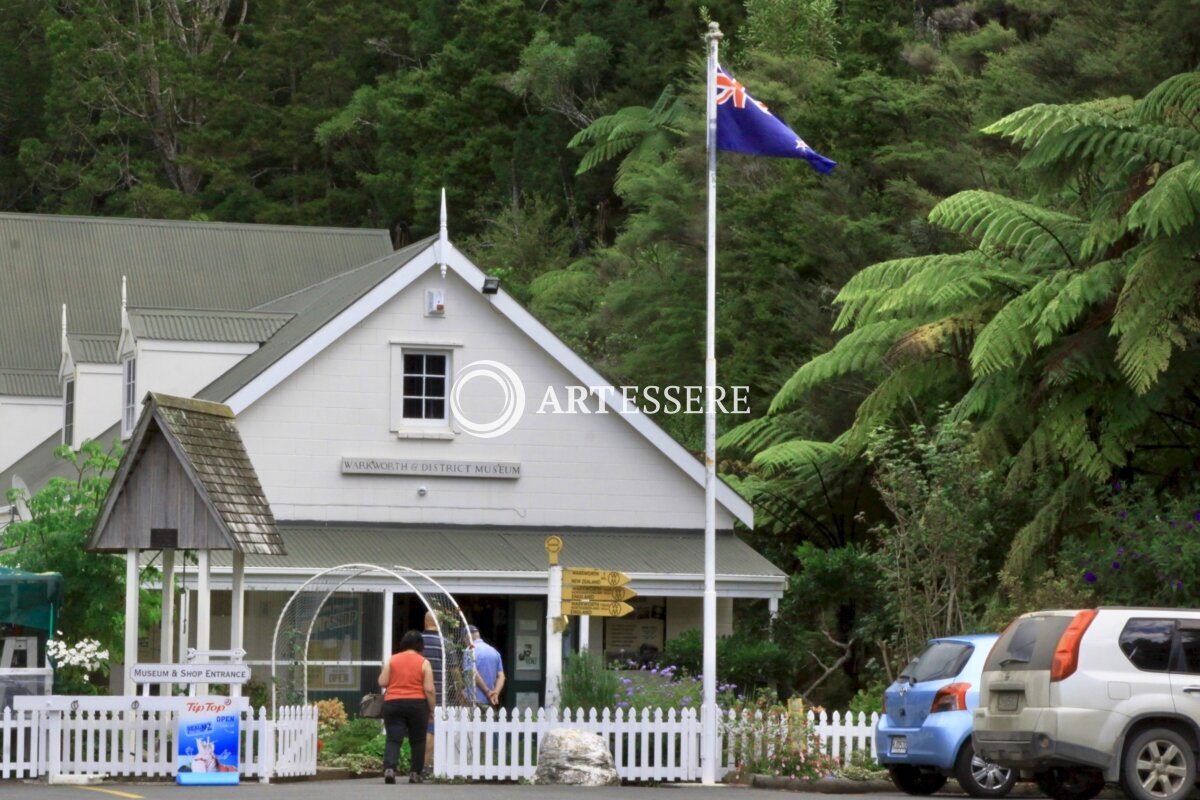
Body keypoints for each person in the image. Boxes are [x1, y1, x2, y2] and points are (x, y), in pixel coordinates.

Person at [378, 630, 435, 785]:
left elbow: (382, 682)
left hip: (393, 703)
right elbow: (429, 689)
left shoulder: (393, 660)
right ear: (420, 645)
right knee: (418, 740)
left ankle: (389, 769)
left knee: (393, 738)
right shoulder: (424, 662)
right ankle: (415, 773)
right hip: (417, 705)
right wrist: (432, 709)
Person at [420, 612, 444, 775]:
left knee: (418, 731)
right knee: (431, 730)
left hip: (416, 691)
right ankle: (425, 766)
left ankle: (416, 764)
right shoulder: (445, 644)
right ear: (440, 623)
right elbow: (454, 669)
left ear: (425, 621)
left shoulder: (417, 642)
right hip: (439, 692)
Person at [471, 626, 505, 708]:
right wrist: (495, 693)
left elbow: (473, 672)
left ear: (466, 637)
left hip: (473, 700)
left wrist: (487, 691)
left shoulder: (470, 650)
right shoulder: (494, 652)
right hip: (491, 700)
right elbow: (502, 676)